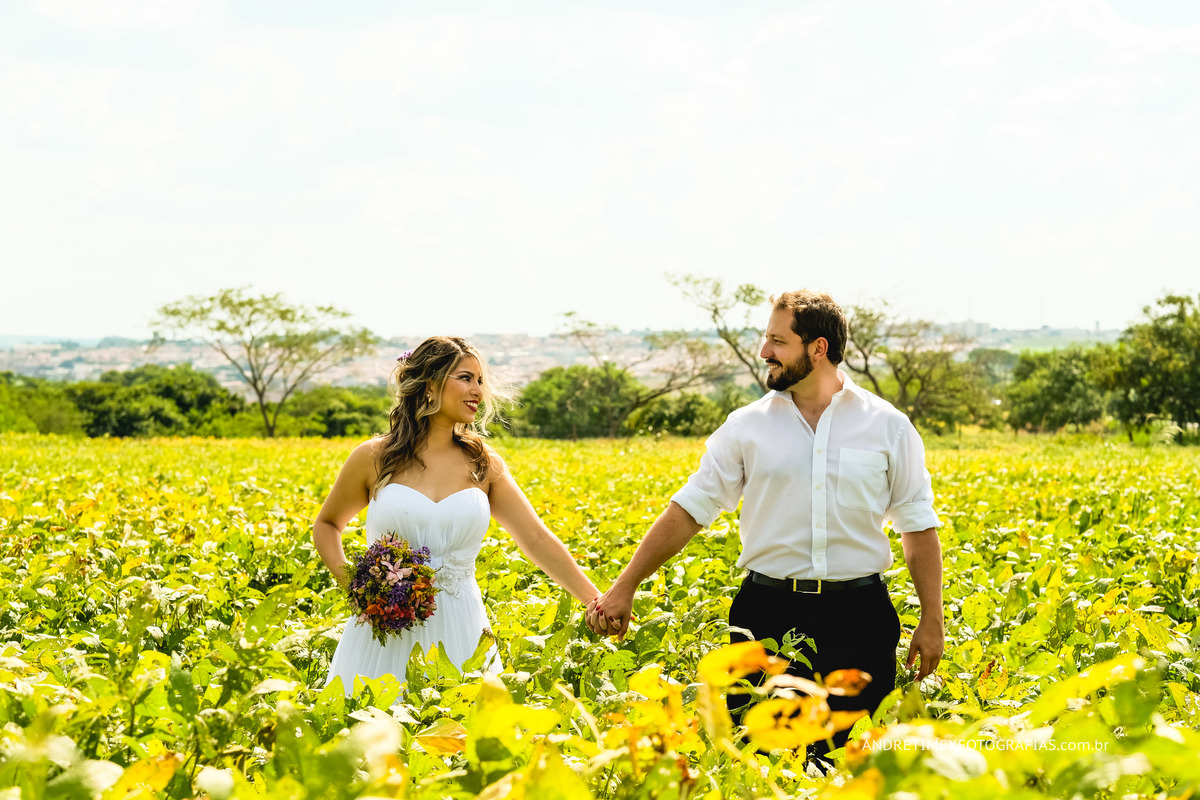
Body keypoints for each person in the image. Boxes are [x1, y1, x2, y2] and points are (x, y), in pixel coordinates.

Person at [586, 290, 944, 755]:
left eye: (778, 341)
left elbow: (917, 526)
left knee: (852, 763)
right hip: (767, 617)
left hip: (860, 618)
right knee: (767, 760)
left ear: (818, 348)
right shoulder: (745, 427)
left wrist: (932, 619)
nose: (764, 353)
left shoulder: (889, 426)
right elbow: (690, 509)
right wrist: (624, 586)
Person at [315, 336, 599, 693]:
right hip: (384, 628)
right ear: (430, 385)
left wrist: (595, 600)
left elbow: (537, 538)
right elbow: (327, 525)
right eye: (466, 378)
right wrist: (360, 590)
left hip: (461, 624)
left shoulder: (484, 463)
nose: (478, 390)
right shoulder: (373, 457)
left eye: (480, 380)